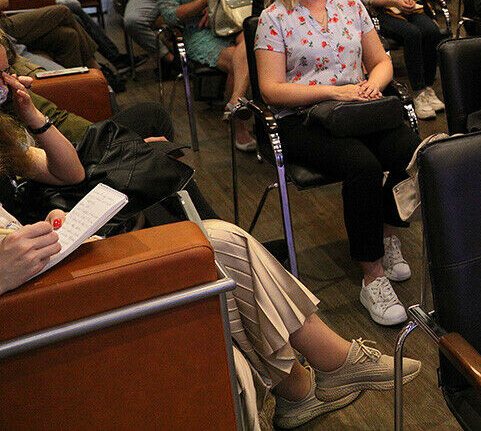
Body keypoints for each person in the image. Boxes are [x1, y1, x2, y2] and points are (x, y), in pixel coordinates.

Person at [0, 83, 420, 429]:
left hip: (42, 264)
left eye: (6, 72)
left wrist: (33, 117)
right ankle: (314, 377)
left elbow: (69, 171)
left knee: (216, 241)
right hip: (36, 312)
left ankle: (310, 383)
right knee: (212, 254)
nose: (8, 84)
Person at [256, 0, 420, 325]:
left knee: (409, 149)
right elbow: (271, 90)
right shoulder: (275, 17)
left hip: (356, 108)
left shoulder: (349, 4)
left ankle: (388, 233)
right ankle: (372, 277)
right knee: (362, 166)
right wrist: (334, 92)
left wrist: (371, 85)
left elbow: (381, 62)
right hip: (303, 117)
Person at [156, 0, 254, 150]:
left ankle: (234, 104)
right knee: (243, 60)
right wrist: (205, 1)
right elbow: (169, 14)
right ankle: (239, 124)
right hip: (200, 34)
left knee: (250, 42)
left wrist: (216, 11)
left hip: (234, 24)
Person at [0, 0, 129, 74]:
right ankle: (97, 65)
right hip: (5, 25)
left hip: (8, 17)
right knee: (65, 10)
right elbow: (4, 2)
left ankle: (86, 77)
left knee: (69, 33)